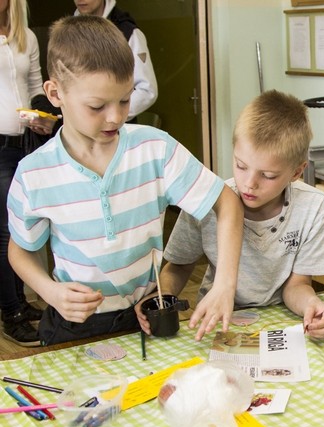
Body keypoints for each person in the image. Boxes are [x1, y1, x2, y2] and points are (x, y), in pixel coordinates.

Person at [7, 15, 243, 345]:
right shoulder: (33, 173)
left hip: (146, 317)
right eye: (97, 106)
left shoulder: (155, 148)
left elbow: (228, 203)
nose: (116, 116)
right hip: (73, 325)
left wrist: (224, 285)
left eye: (124, 99)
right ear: (55, 92)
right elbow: (20, 250)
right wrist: (50, 291)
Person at [136, 90, 324, 339]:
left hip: (279, 320)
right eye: (241, 166)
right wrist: (161, 301)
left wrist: (311, 306)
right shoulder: (207, 201)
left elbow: (297, 285)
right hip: (216, 319)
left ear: (297, 172)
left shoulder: (314, 208)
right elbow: (178, 266)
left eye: (268, 175)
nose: (249, 183)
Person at [0, 0, 57, 346]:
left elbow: (36, 86)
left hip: (25, 143)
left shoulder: (25, 38)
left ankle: (21, 300)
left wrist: (43, 116)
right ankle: (11, 313)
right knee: (6, 232)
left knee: (25, 224)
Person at [73, 0, 157, 120]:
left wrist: (109, 115)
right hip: (77, 128)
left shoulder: (128, 32)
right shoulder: (67, 33)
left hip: (117, 130)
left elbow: (147, 90)